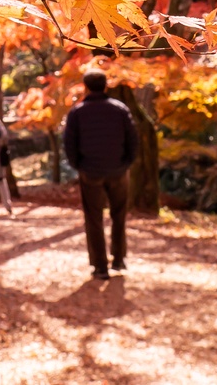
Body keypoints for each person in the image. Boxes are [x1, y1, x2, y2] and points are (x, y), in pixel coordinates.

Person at [61, 69, 137, 279]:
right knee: (118, 215)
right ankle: (119, 259)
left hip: (90, 172)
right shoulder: (120, 110)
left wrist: (79, 166)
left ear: (85, 87)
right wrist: (126, 163)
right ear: (106, 86)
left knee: (93, 218)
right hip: (118, 171)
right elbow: (133, 139)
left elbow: (69, 143)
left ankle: (100, 266)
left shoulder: (78, 112)